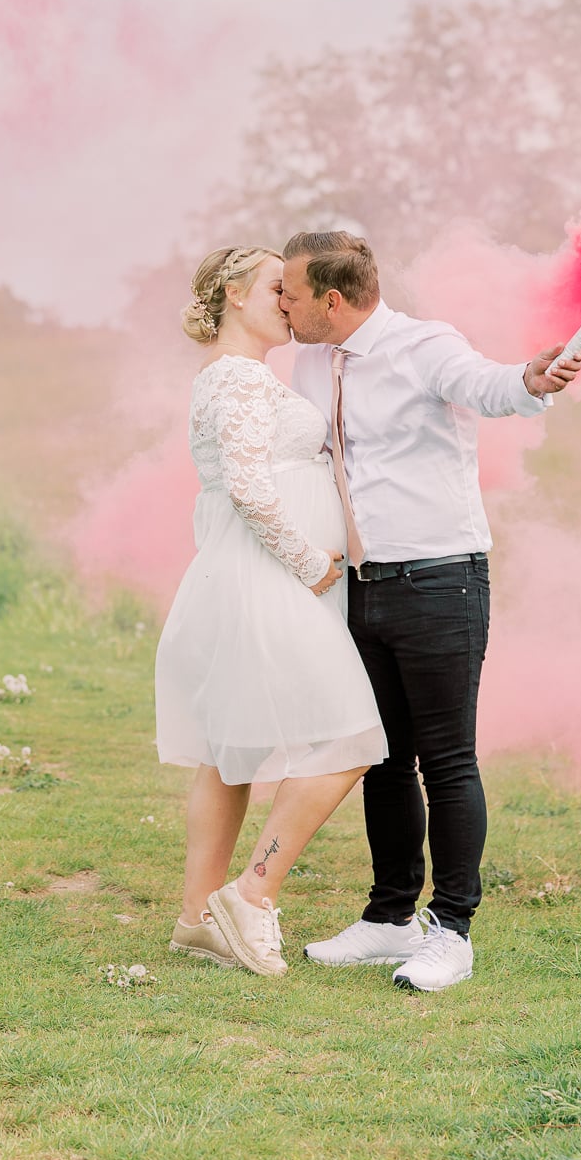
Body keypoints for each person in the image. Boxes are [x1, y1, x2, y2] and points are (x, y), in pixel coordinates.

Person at [281, 230, 581, 993]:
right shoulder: (311, 359)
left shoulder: (425, 345)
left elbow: (488, 384)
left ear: (332, 299)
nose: (283, 304)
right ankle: (389, 918)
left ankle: (452, 929)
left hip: (441, 580)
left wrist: (533, 377)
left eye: (291, 292)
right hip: (361, 584)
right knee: (382, 757)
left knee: (447, 759)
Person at [154, 245, 387, 978]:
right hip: (271, 582)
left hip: (246, 580)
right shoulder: (236, 378)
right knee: (350, 738)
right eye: (274, 288)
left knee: (228, 754)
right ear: (231, 292)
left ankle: (197, 918)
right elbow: (252, 489)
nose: (288, 302)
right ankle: (253, 894)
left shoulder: (242, 376)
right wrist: (312, 563)